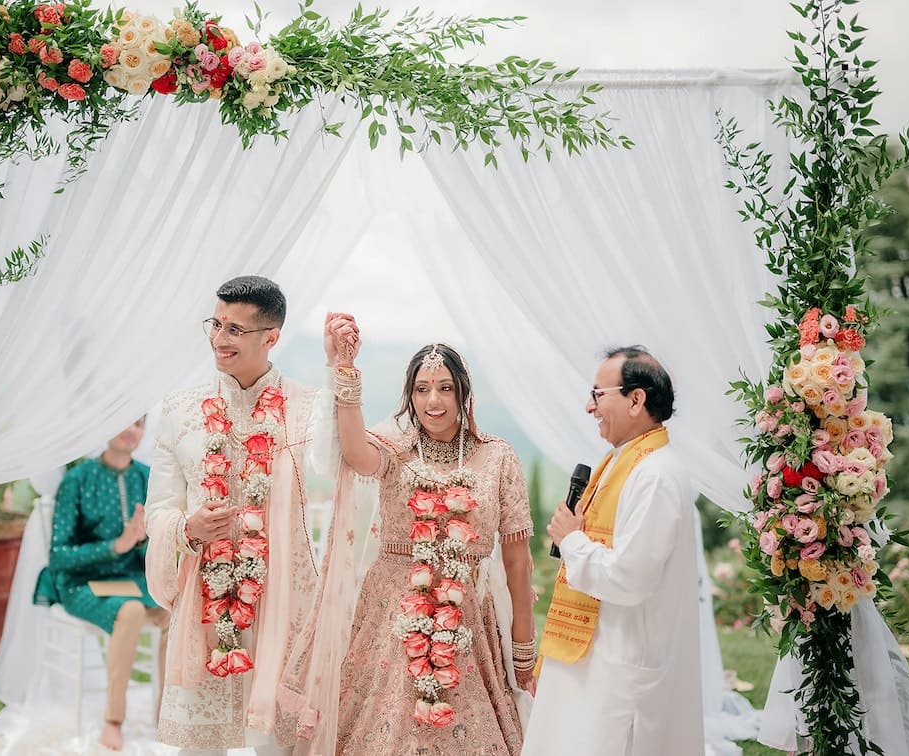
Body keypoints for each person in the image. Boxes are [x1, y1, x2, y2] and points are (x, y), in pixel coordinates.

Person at [324, 319, 535, 756]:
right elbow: (355, 453)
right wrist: (346, 372)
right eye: (421, 389)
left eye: (444, 388)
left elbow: (518, 563)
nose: (432, 400)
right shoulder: (395, 449)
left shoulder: (497, 457)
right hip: (392, 613)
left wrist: (524, 648)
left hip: (469, 619)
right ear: (409, 395)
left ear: (463, 393)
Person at [144, 275, 336, 755]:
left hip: (285, 600)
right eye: (215, 324)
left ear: (270, 338)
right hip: (206, 599)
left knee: (282, 742)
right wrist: (187, 529)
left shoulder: (307, 409)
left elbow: (338, 469)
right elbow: (159, 510)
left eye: (234, 329)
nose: (218, 338)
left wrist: (342, 374)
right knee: (202, 746)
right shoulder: (179, 411)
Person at [524, 346, 703, 756]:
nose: (590, 407)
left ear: (636, 399)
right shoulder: (624, 463)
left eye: (598, 395)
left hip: (621, 663)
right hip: (597, 657)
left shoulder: (654, 474)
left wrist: (571, 538)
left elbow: (630, 579)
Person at [33, 417, 170, 751]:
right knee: (133, 610)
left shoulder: (146, 477)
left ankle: (167, 712)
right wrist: (116, 546)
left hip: (129, 579)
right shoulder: (78, 479)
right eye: (124, 421)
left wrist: (141, 540)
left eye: (138, 424)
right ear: (106, 424)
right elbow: (59, 556)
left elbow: (152, 540)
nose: (130, 430)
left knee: (172, 608)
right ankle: (113, 720)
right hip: (82, 582)